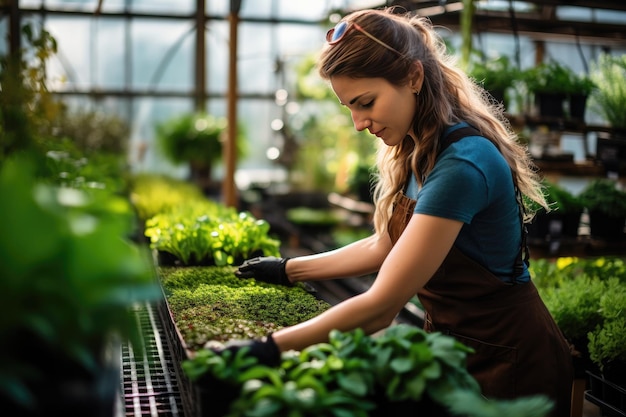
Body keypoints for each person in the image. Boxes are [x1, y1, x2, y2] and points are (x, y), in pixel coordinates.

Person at [227, 7, 574, 416]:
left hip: (511, 360)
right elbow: (384, 245)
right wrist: (288, 269)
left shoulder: (461, 164)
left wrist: (266, 348)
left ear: (413, 77)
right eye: (349, 108)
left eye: (366, 102)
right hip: (456, 348)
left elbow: (380, 307)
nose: (358, 123)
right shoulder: (418, 148)